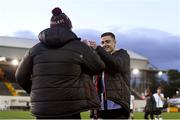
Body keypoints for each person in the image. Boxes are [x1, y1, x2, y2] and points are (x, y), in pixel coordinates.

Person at [15, 7, 105, 119]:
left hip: (43, 109)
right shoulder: (80, 47)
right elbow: (99, 67)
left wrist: (36, 91)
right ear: (69, 27)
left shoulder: (34, 50)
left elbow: (20, 77)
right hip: (71, 109)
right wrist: (89, 51)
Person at [88, 32, 130, 119]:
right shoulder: (99, 58)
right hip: (101, 109)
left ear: (114, 42)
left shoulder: (122, 54)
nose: (104, 44)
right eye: (102, 43)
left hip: (118, 108)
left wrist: (99, 49)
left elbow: (116, 65)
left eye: (107, 41)